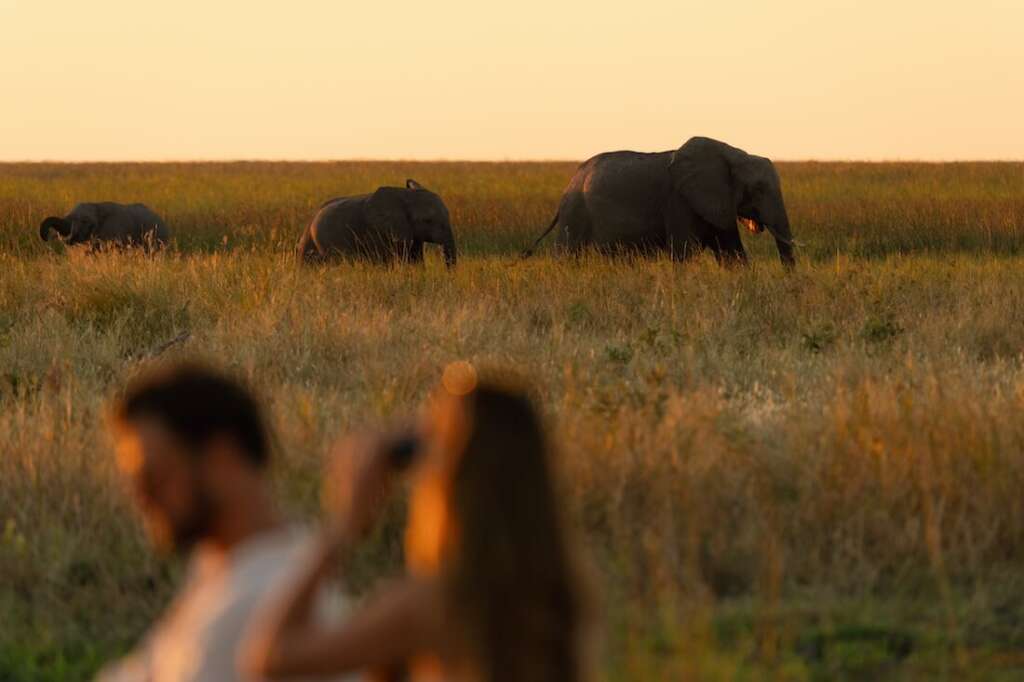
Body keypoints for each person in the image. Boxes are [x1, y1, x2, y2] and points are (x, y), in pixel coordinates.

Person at [242, 367, 591, 682]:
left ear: (452, 480)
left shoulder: (434, 603)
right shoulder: (559, 593)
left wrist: (346, 521)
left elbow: (273, 657)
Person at [97, 362, 351, 682]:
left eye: (155, 478)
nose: (141, 498)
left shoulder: (249, 607)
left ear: (223, 458)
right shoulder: (227, 565)